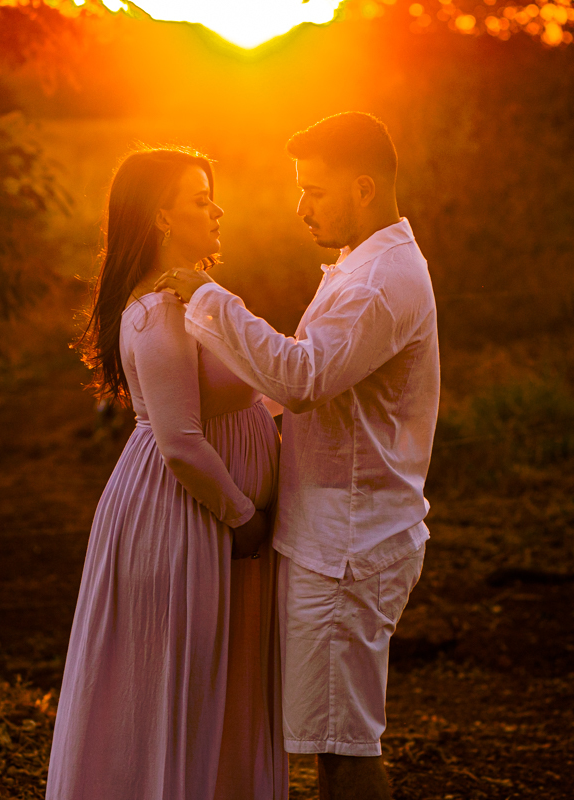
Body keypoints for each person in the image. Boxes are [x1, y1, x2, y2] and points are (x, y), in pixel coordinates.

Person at [156, 112, 440, 800]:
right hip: (336, 535)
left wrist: (210, 298)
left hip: (348, 547)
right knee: (329, 739)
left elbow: (303, 379)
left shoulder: (378, 283)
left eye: (314, 191)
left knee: (343, 749)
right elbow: (311, 383)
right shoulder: (363, 263)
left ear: (364, 188)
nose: (300, 207)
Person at [46, 147, 288, 800]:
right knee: (177, 692)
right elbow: (179, 441)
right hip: (189, 521)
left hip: (219, 522)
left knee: (219, 689)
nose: (217, 211)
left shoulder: (198, 299)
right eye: (200, 199)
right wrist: (243, 516)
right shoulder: (157, 312)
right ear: (160, 216)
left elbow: (239, 393)